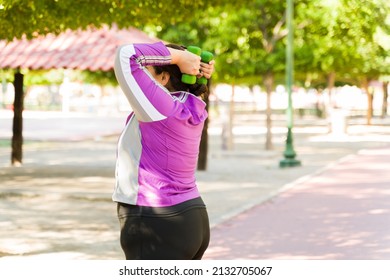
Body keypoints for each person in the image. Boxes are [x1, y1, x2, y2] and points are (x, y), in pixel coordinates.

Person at [112, 41, 215, 260]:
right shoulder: (190, 106)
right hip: (191, 217)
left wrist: (177, 58)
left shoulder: (163, 110)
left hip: (157, 221)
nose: (141, 75)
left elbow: (125, 55)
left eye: (147, 69)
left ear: (163, 77)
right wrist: (200, 71)